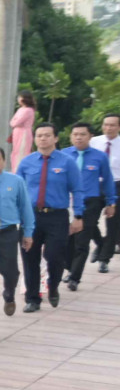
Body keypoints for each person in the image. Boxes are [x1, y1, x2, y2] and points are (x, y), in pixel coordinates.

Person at [17, 122, 82, 311]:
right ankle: (32, 298)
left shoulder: (67, 162)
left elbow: (77, 189)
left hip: (57, 217)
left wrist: (78, 215)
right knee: (30, 258)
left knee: (54, 257)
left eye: (47, 135)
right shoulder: (27, 162)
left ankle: (53, 286)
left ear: (55, 138)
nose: (43, 139)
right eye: (39, 135)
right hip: (30, 217)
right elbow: (18, 191)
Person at [65, 120, 116, 290]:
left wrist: (111, 202)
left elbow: (108, 180)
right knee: (67, 240)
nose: (79, 138)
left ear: (90, 137)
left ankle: (74, 277)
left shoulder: (99, 156)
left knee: (82, 241)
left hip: (90, 202)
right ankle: (69, 267)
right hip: (67, 203)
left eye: (83, 135)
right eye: (75, 134)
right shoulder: (63, 155)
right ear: (70, 136)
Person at [0, 146, 31, 317]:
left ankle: (9, 294)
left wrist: (28, 232)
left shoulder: (15, 181)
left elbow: (25, 208)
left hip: (7, 231)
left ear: (4, 161)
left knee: (10, 270)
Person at [89, 112, 120, 273]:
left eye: (112, 125)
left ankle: (104, 259)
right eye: (106, 124)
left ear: (119, 127)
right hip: (96, 185)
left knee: (113, 224)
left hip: (116, 185)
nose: (108, 128)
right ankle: (100, 244)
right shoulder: (94, 142)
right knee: (90, 220)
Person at [9, 91, 38, 163]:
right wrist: (14, 122)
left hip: (24, 133)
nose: (18, 99)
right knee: (15, 151)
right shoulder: (20, 109)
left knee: (22, 152)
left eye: (19, 97)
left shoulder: (28, 110)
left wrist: (15, 122)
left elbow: (16, 122)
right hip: (17, 132)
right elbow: (12, 122)